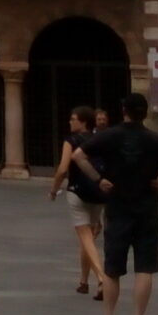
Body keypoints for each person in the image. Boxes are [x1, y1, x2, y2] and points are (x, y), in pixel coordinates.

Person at [67, 92, 158, 315]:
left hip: (117, 206)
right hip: (148, 208)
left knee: (113, 268)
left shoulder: (109, 136)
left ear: (124, 110)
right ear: (144, 113)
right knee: (145, 267)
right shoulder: (156, 139)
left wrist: (98, 179)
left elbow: (78, 155)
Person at [47, 105, 107, 298]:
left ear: (83, 122)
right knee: (87, 236)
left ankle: (101, 278)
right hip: (98, 193)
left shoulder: (71, 140)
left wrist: (54, 190)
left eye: (73, 119)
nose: (70, 122)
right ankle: (83, 281)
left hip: (77, 192)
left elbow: (63, 169)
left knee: (85, 236)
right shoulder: (100, 140)